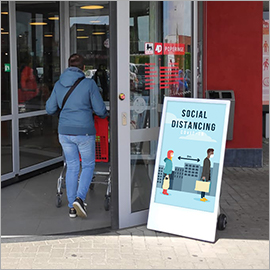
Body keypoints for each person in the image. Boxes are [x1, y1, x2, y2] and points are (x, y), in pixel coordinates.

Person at [46, 54, 108, 218]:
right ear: (83, 68)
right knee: (87, 165)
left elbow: (50, 109)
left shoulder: (59, 85)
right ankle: (79, 199)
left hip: (65, 132)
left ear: (68, 66)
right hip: (84, 132)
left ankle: (72, 207)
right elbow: (101, 111)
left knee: (72, 166)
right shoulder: (89, 84)